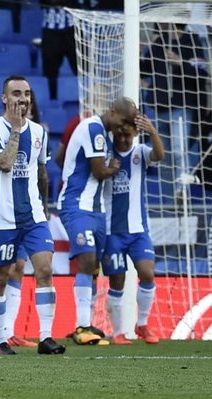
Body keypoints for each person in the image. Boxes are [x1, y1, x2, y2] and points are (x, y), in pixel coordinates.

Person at [0, 76, 65, 355]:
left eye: (26, 94)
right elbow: (4, 163)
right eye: (16, 93)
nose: (22, 99)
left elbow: (41, 173)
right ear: (4, 98)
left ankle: (46, 337)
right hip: (1, 218)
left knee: (45, 270)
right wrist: (15, 131)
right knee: (0, 278)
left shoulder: (39, 131)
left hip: (34, 217)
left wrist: (46, 207)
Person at [57, 97, 139, 345]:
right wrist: (112, 167)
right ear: (112, 112)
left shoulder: (103, 132)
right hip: (76, 206)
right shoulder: (94, 128)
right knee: (87, 260)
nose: (124, 127)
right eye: (123, 121)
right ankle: (82, 327)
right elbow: (99, 172)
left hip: (96, 209)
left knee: (93, 268)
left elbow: (63, 157)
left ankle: (87, 323)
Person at [103, 114, 164, 345]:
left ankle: (143, 324)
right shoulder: (106, 154)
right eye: (120, 134)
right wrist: (107, 169)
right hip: (112, 231)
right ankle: (118, 331)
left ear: (135, 134)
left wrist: (153, 131)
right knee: (116, 281)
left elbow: (159, 155)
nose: (124, 140)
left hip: (138, 229)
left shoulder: (139, 152)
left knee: (147, 272)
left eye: (128, 135)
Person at [140, 22, 208, 200]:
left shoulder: (191, 40)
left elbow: (202, 74)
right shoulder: (159, 42)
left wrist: (180, 62)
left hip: (181, 107)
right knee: (163, 158)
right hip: (159, 108)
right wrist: (138, 51)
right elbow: (145, 69)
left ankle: (182, 192)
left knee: (179, 153)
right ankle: (169, 201)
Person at [39, 0, 79, 100]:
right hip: (50, 31)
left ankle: (87, 99)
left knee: (82, 69)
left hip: (71, 30)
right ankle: (51, 99)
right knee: (49, 72)